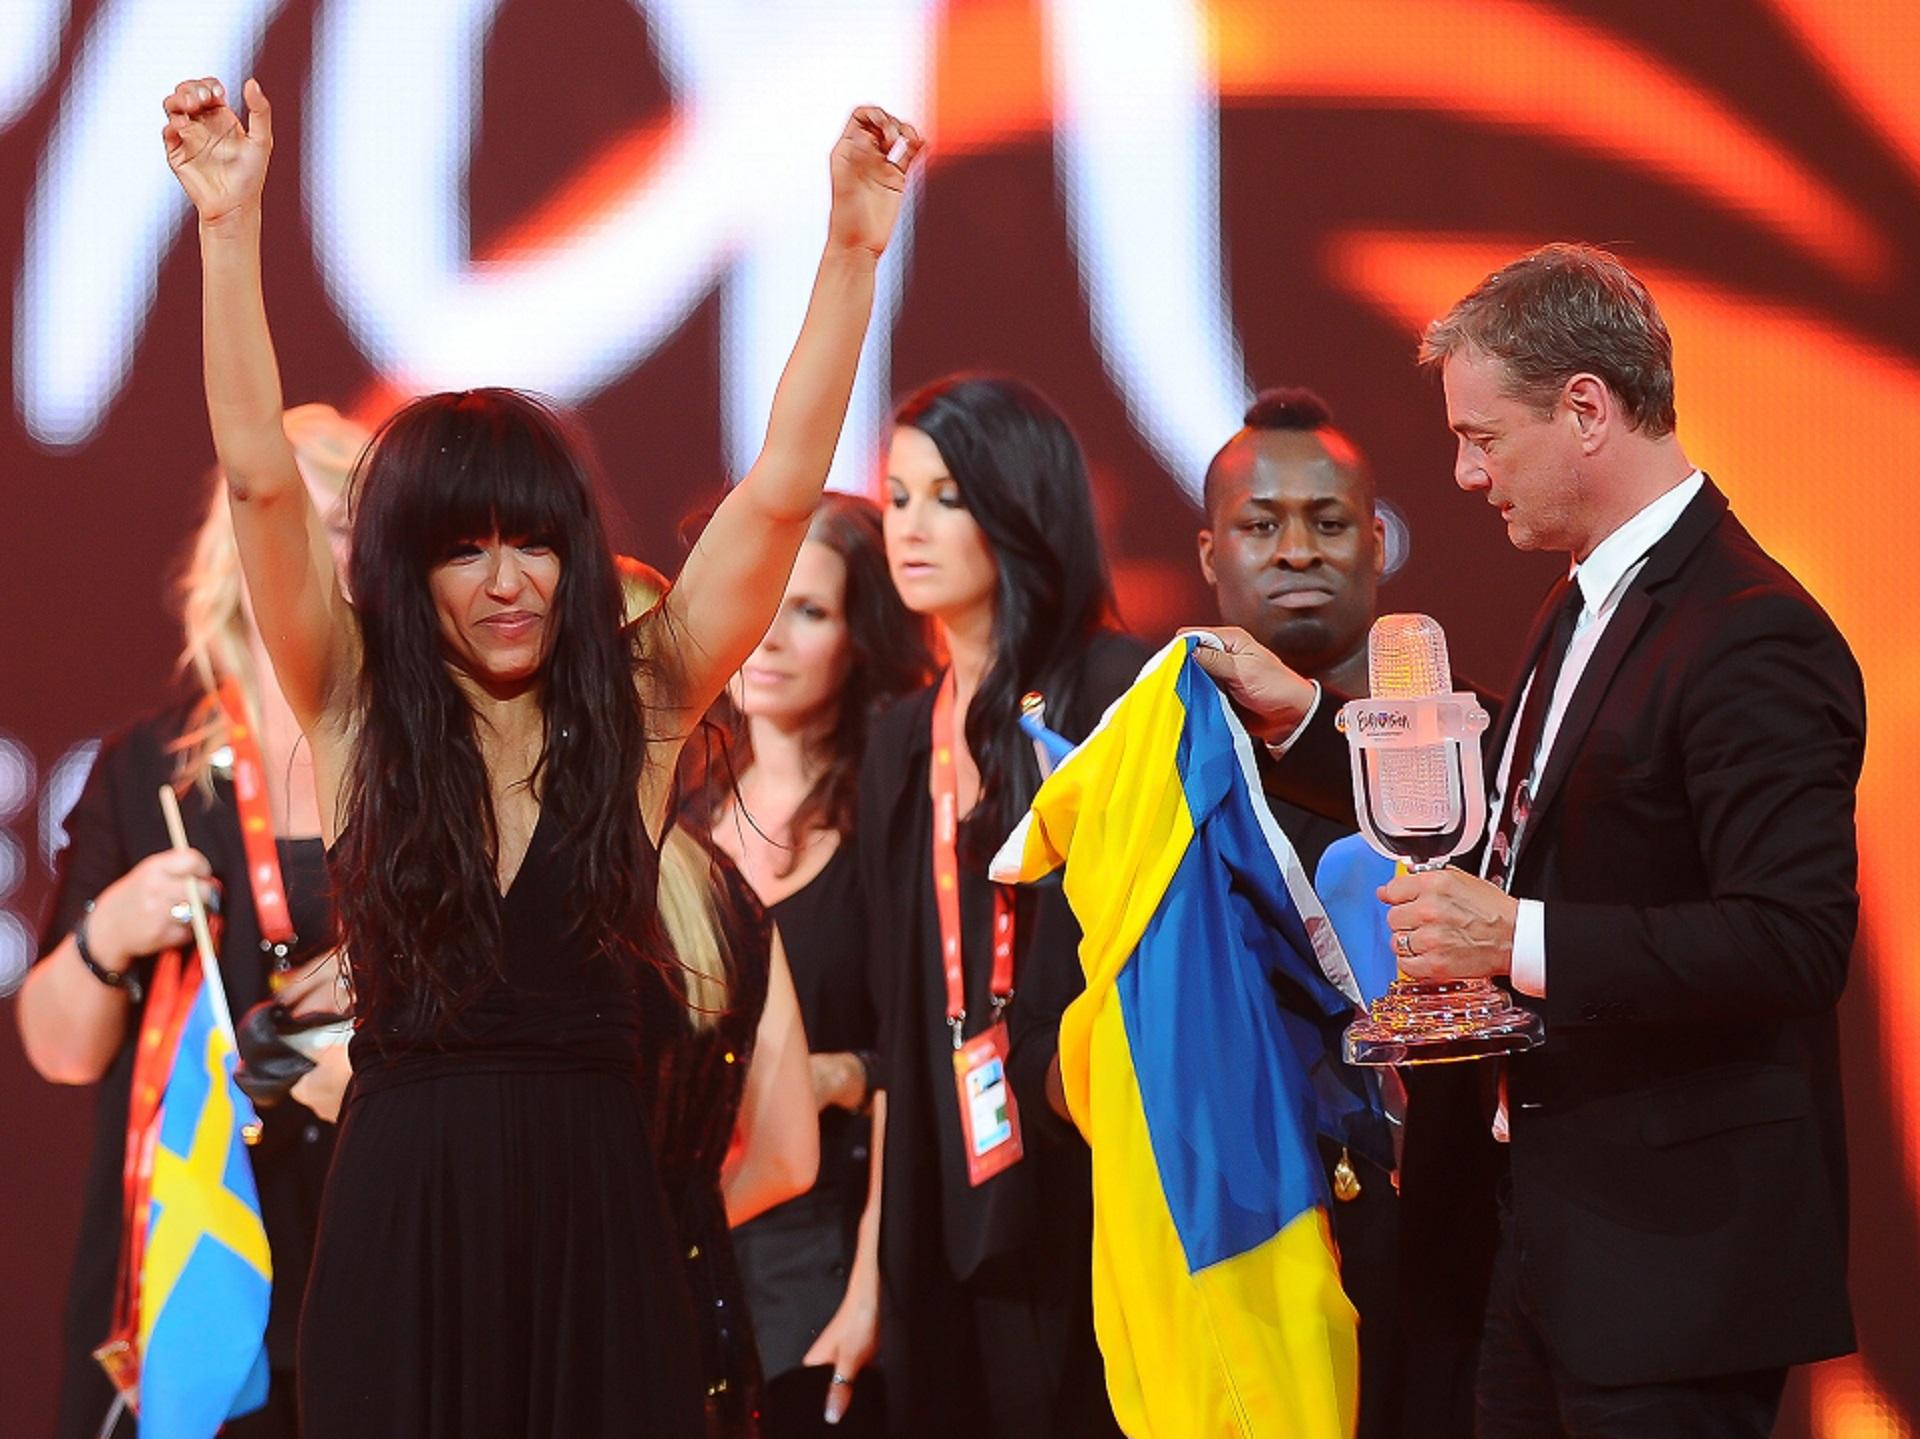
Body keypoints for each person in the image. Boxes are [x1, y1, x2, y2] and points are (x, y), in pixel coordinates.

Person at [161, 73, 920, 1437]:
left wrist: (853, 246)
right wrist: (229, 225)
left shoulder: (640, 703)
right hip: (403, 1217)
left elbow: (785, 486)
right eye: (463, 546)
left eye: (533, 539)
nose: (507, 579)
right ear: (406, 568)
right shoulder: (353, 705)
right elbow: (264, 479)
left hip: (598, 1213)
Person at [1195, 243, 1864, 1438]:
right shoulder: (1586, 598)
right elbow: (1508, 798)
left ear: (1588, 410)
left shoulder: (1753, 632)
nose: (1462, 473)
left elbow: (1791, 939)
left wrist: (1517, 934)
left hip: (1674, 1270)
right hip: (1542, 1248)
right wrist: (1303, 719)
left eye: (1483, 437)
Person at [18, 405, 367, 1439]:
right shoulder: (147, 764)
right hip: (192, 1258)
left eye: (342, 519)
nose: (308, 539)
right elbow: (59, 1045)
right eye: (280, 509)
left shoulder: (426, 764)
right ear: (232, 546)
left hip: (373, 1244)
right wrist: (107, 934)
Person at [1197, 385, 1488, 1439]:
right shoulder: (1162, 780)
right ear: (1209, 553)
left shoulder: (1478, 751)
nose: (1296, 549)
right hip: (1249, 1249)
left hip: (1453, 1255)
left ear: (1376, 541)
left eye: (1327, 522)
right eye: (1260, 523)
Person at [861, 375, 1145, 1438]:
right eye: (896, 498)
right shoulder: (898, 741)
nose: (911, 527)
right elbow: (895, 1026)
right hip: (947, 1166)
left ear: (1020, 504)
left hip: (1088, 1159)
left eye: (947, 495)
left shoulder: (1119, 692)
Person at [687, 494, 933, 1437]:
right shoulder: (688, 805)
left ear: (862, 634)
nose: (770, 636)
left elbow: (919, 1052)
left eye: (812, 610)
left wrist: (837, 1074)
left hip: (829, 1258)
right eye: (761, 599)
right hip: (700, 1246)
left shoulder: (890, 815)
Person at [620, 556, 820, 1438]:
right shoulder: (723, 890)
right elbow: (789, 1158)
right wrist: (674, 1225)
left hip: (560, 1323)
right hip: (696, 1312)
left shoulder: (517, 891)